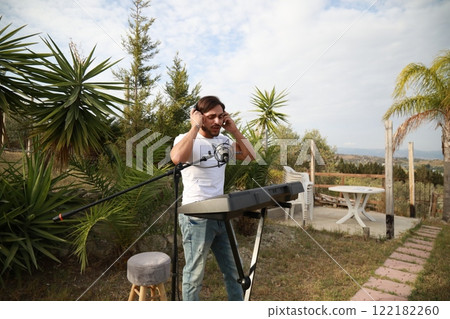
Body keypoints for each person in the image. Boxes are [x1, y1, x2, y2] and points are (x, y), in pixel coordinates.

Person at [170, 95, 256, 301]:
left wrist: (234, 130)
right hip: (196, 217)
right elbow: (177, 158)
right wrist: (194, 127)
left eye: (220, 117)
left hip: (221, 215)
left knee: (234, 271)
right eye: (211, 117)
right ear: (199, 117)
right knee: (194, 275)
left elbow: (251, 156)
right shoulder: (186, 139)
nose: (217, 122)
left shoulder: (224, 141)